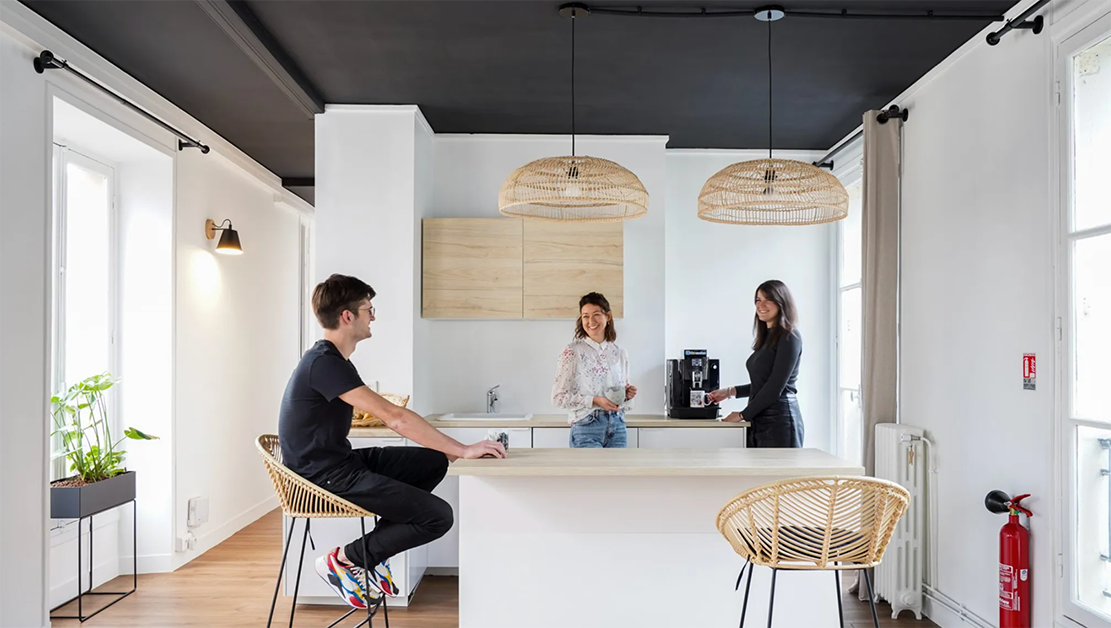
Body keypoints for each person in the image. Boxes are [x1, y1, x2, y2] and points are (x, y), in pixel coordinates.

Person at [278, 273, 506, 610]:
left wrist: (449, 451)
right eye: (368, 309)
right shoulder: (324, 363)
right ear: (347, 316)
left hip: (337, 463)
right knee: (438, 516)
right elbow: (394, 417)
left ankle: (372, 557)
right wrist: (463, 449)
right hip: (320, 476)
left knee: (432, 461)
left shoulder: (331, 359)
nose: (373, 316)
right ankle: (344, 561)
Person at [707, 279, 804, 448]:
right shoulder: (767, 339)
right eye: (758, 300)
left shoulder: (790, 337)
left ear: (782, 302)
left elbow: (775, 387)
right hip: (759, 418)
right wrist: (729, 392)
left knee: (779, 475)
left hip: (780, 421)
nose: (761, 305)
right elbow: (763, 384)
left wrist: (743, 415)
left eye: (768, 299)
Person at [552, 292, 637, 448]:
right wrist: (595, 400)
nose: (591, 321)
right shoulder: (572, 351)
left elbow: (620, 397)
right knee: (590, 473)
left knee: (618, 473)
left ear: (608, 316)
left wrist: (627, 394)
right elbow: (558, 397)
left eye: (596, 314)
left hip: (617, 426)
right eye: (585, 316)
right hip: (586, 427)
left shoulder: (619, 353)